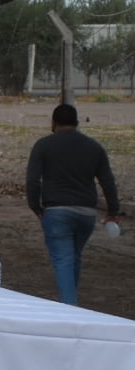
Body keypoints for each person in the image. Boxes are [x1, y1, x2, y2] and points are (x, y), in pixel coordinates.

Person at [25, 103, 121, 305]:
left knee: (63, 260)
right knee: (73, 256)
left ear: (53, 122)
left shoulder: (43, 145)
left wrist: (35, 206)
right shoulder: (94, 147)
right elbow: (107, 181)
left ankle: (69, 308)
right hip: (86, 214)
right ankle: (71, 300)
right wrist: (113, 211)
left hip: (56, 211)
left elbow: (32, 180)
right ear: (77, 123)